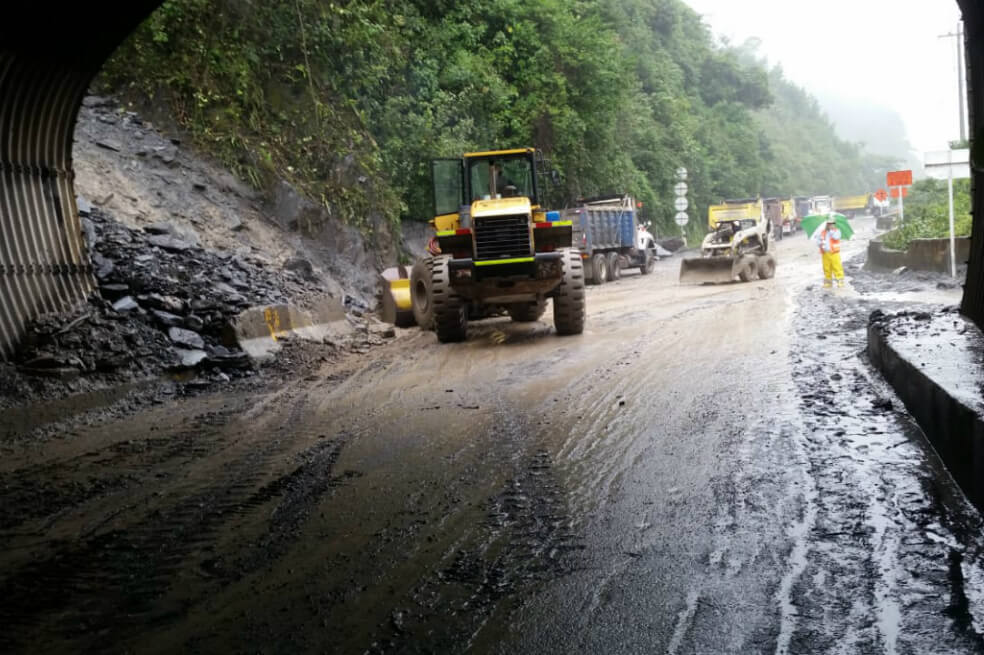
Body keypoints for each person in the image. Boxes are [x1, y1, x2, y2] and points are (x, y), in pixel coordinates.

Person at [815, 215, 844, 288]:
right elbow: (818, 241)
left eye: (832, 224)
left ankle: (840, 282)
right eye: (829, 224)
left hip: (834, 253)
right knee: (826, 268)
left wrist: (831, 231)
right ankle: (828, 283)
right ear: (827, 225)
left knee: (837, 268)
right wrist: (819, 242)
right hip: (825, 253)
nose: (831, 225)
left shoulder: (837, 231)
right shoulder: (823, 232)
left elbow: (836, 237)